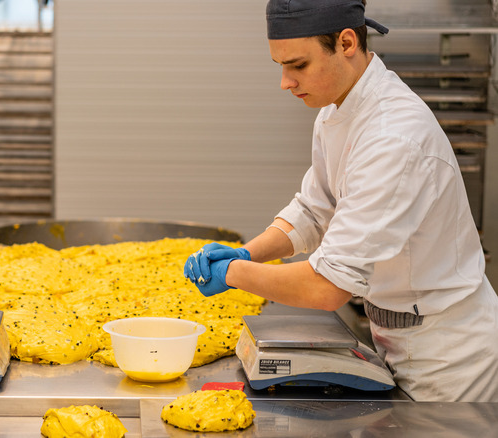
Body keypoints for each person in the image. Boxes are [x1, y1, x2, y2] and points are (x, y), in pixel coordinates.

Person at [184, 0, 498, 402]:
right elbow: (315, 210)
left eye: (298, 65)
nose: (285, 82)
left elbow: (327, 287)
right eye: (280, 66)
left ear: (347, 42)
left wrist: (234, 275)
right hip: (392, 332)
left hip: (447, 356)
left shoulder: (393, 137)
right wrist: (248, 252)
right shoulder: (339, 109)